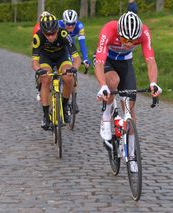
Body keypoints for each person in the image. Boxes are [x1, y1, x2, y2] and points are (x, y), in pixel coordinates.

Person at [94, 12, 162, 172]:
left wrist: (153, 83)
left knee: (130, 108)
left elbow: (150, 61)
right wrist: (102, 85)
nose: (129, 44)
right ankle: (105, 118)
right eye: (125, 39)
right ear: (119, 32)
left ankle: (131, 155)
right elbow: (99, 62)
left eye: (133, 41)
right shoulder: (109, 29)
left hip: (125, 63)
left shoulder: (144, 32)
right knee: (113, 82)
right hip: (107, 61)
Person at [32, 13, 81, 130]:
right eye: (47, 34)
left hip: (61, 57)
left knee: (68, 77)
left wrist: (74, 68)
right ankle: (45, 116)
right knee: (45, 79)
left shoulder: (64, 34)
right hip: (45, 58)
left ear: (57, 29)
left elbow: (76, 57)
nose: (50, 37)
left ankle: (64, 107)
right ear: (42, 32)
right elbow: (34, 61)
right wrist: (39, 70)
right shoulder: (38, 37)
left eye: (53, 33)